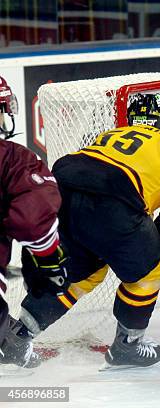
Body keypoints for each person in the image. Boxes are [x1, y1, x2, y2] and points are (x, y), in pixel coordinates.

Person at [8, 94, 160, 369]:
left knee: (80, 272)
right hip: (112, 199)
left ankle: (18, 338)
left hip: (63, 187)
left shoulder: (111, 134)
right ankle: (129, 345)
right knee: (150, 267)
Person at [0, 76, 63, 370]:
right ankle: (13, 351)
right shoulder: (12, 158)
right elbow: (31, 220)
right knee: (12, 352)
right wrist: (49, 258)